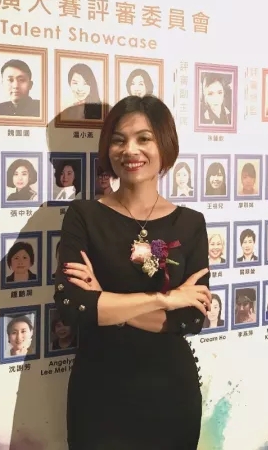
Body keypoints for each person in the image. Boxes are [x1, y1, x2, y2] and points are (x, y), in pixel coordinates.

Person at [54, 95, 212, 450]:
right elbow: (74, 306)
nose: (130, 150)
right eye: (118, 140)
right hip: (99, 393)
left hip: (171, 392)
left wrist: (104, 301)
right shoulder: (84, 216)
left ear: (164, 145)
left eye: (144, 138)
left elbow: (189, 319)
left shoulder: (190, 224)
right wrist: (164, 300)